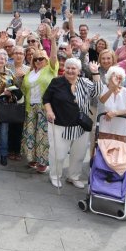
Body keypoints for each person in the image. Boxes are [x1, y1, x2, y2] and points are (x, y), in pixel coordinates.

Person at [42, 58, 102, 188]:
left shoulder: (85, 82)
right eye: (68, 67)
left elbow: (97, 92)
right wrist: (49, 111)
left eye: (73, 68)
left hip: (80, 126)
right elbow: (46, 98)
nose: (70, 70)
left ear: (79, 71)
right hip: (60, 125)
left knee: (79, 154)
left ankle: (73, 176)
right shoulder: (57, 82)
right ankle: (55, 175)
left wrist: (95, 73)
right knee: (58, 154)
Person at [20, 31, 59, 173]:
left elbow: (54, 56)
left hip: (44, 106)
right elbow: (24, 88)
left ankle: (43, 161)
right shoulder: (30, 73)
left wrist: (53, 41)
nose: (38, 61)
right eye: (35, 59)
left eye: (41, 59)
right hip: (31, 106)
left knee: (42, 134)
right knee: (30, 133)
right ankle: (33, 158)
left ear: (46, 60)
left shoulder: (50, 70)